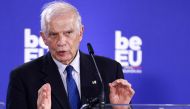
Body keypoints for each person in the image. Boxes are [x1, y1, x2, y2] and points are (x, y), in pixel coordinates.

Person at [6, 1, 135, 109]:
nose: (61, 42)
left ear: (81, 33)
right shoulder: (23, 77)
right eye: (53, 34)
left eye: (68, 33)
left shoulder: (109, 70)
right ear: (44, 37)